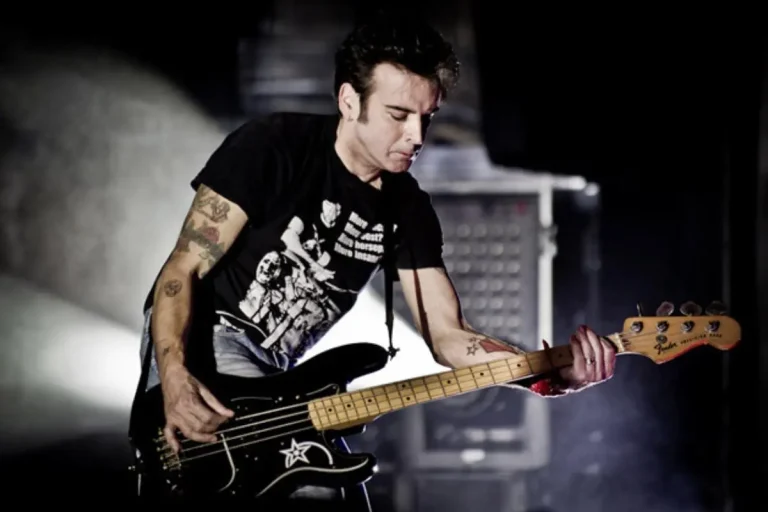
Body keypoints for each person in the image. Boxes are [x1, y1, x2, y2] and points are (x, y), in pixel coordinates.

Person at [136, 11, 616, 511]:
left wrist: (542, 373)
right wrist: (173, 375)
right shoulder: (272, 145)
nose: (417, 136)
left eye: (426, 117)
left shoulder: (407, 209)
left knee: (342, 497)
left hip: (278, 375)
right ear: (349, 101)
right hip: (210, 340)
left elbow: (449, 338)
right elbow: (181, 269)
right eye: (398, 115)